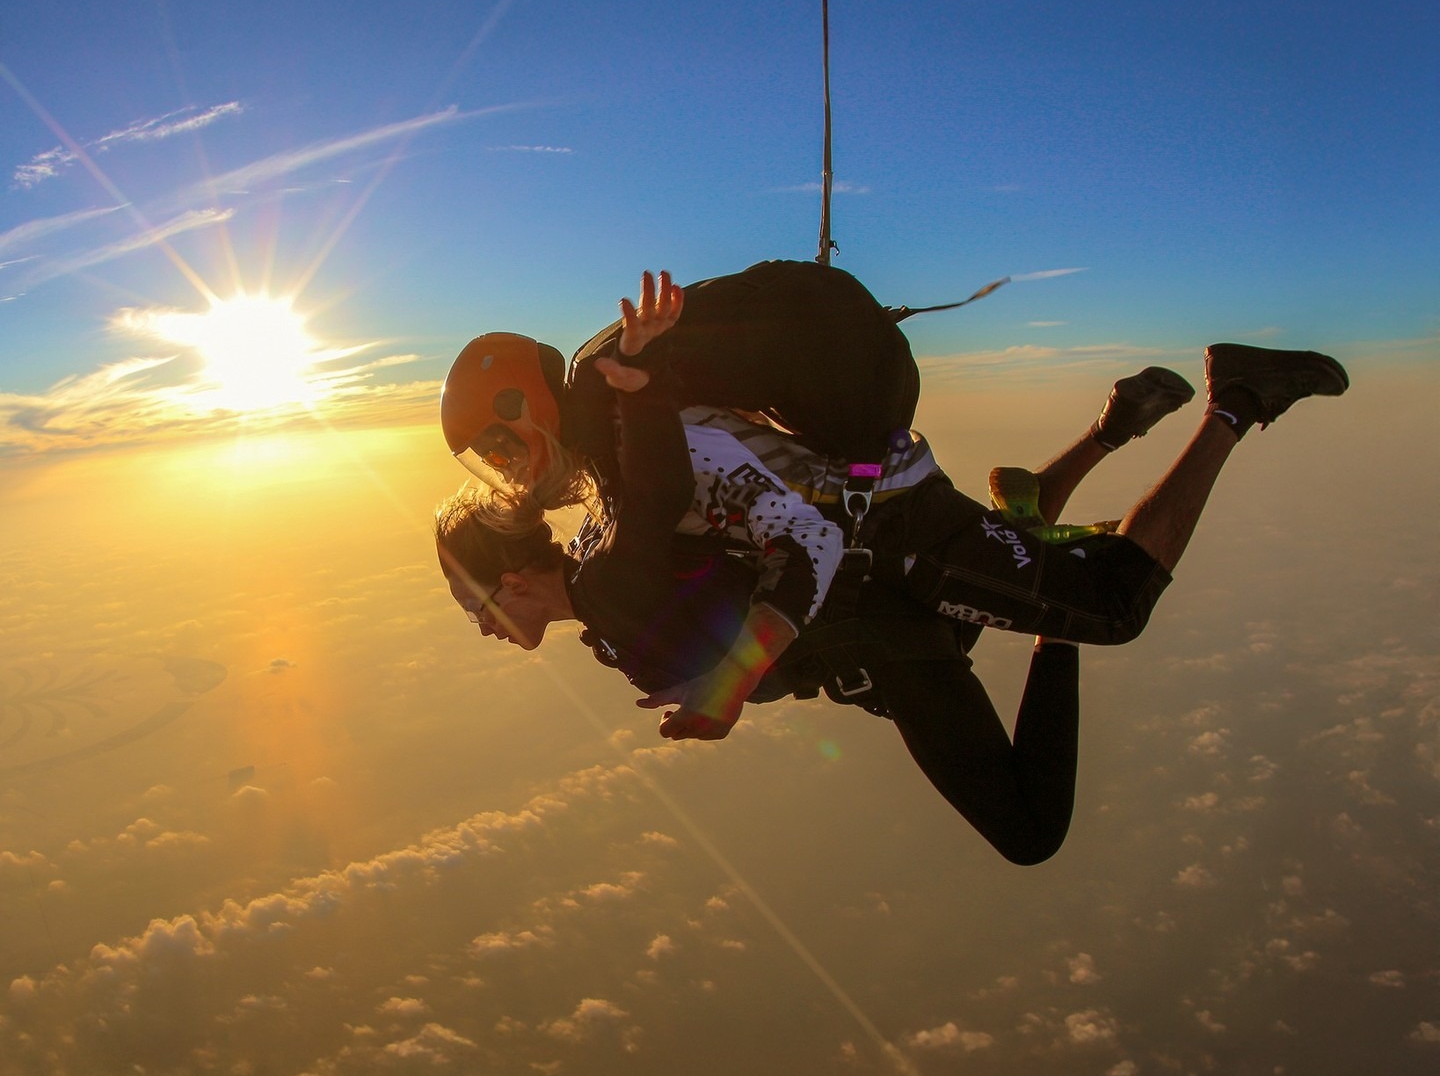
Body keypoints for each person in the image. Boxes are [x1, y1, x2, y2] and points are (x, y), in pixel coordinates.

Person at [434, 271, 1348, 863]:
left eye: (498, 442)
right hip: (873, 584)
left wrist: (733, 680)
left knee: (1112, 607)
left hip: (887, 538)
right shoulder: (606, 503)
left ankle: (1233, 401)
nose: (509, 466)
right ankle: (1058, 489)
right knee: (1015, 770)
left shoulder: (630, 471)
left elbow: (797, 534)